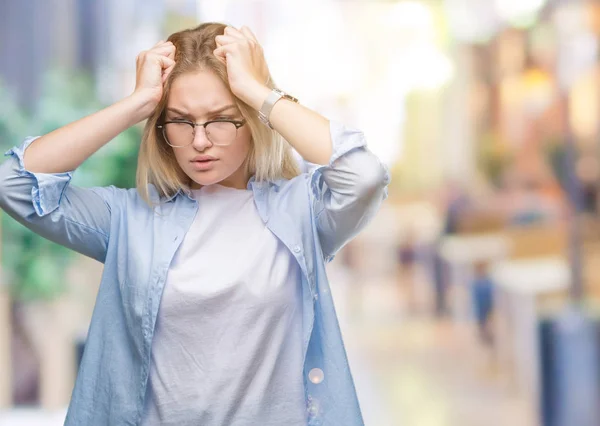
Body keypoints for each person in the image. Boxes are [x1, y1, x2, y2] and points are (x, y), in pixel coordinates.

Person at [0, 22, 389, 425]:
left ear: (253, 120)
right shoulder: (130, 219)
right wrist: (135, 104)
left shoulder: (303, 212)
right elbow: (13, 184)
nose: (200, 141)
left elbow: (364, 176)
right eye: (181, 121)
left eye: (221, 119)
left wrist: (259, 93)